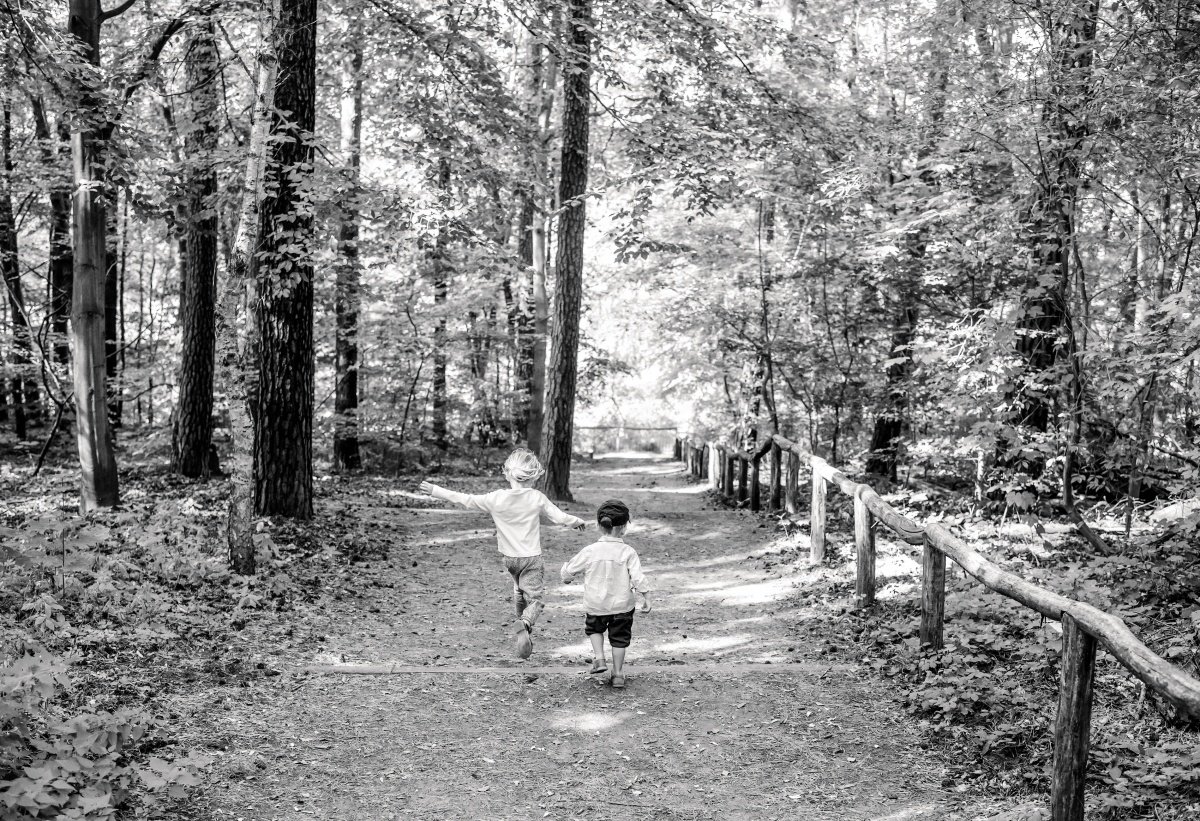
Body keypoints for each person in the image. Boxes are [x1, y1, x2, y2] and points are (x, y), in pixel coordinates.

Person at [418, 448, 586, 659]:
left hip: (510, 559)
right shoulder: (536, 497)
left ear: (507, 473)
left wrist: (435, 490)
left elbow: (465, 499)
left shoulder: (495, 498)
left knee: (518, 590)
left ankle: (521, 628)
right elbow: (558, 517)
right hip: (531, 558)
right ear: (533, 477)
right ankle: (524, 623)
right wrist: (576, 521)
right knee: (535, 599)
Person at [559, 499, 652, 689]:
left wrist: (566, 575)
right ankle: (618, 674)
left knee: (594, 629)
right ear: (624, 527)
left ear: (599, 526)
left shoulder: (590, 551)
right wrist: (646, 596)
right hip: (622, 606)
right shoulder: (628, 552)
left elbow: (568, 573)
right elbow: (637, 577)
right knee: (619, 638)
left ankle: (600, 659)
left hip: (596, 604)